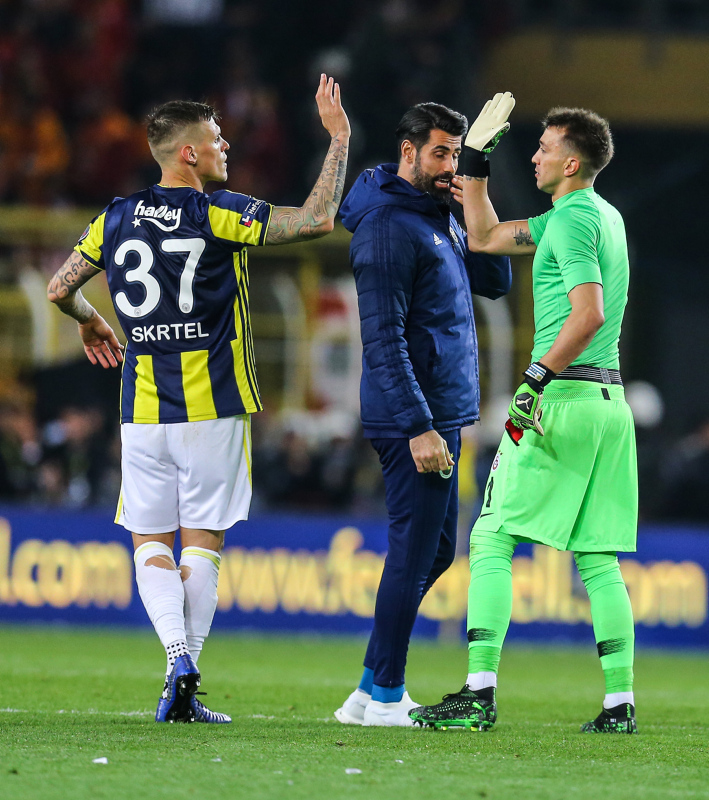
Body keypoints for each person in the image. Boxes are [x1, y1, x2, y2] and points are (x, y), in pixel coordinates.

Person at [47, 75, 350, 723]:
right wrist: (338, 139)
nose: (225, 145)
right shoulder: (218, 212)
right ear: (188, 153)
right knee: (202, 547)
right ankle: (183, 673)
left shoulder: (114, 218)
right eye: (215, 138)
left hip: (142, 411)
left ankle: (176, 662)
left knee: (149, 544)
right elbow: (317, 219)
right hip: (212, 408)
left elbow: (58, 288)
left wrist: (90, 320)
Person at [410, 94, 639, 733]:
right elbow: (484, 236)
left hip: (559, 400)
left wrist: (536, 379)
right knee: (597, 558)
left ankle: (478, 693)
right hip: (609, 406)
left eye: (544, 148)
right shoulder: (598, 216)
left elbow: (587, 313)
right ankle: (619, 704)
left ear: (571, 164)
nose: (535, 156)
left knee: (491, 536)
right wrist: (476, 161)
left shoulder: (568, 223)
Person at [334, 103, 512, 727]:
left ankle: (367, 690)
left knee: (432, 554)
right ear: (408, 151)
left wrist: (475, 202)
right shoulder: (387, 225)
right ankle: (387, 694)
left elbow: (495, 280)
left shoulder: (440, 214)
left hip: (440, 413)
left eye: (457, 155)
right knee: (414, 553)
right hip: (415, 419)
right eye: (440, 153)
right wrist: (418, 425)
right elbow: (383, 337)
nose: (449, 166)